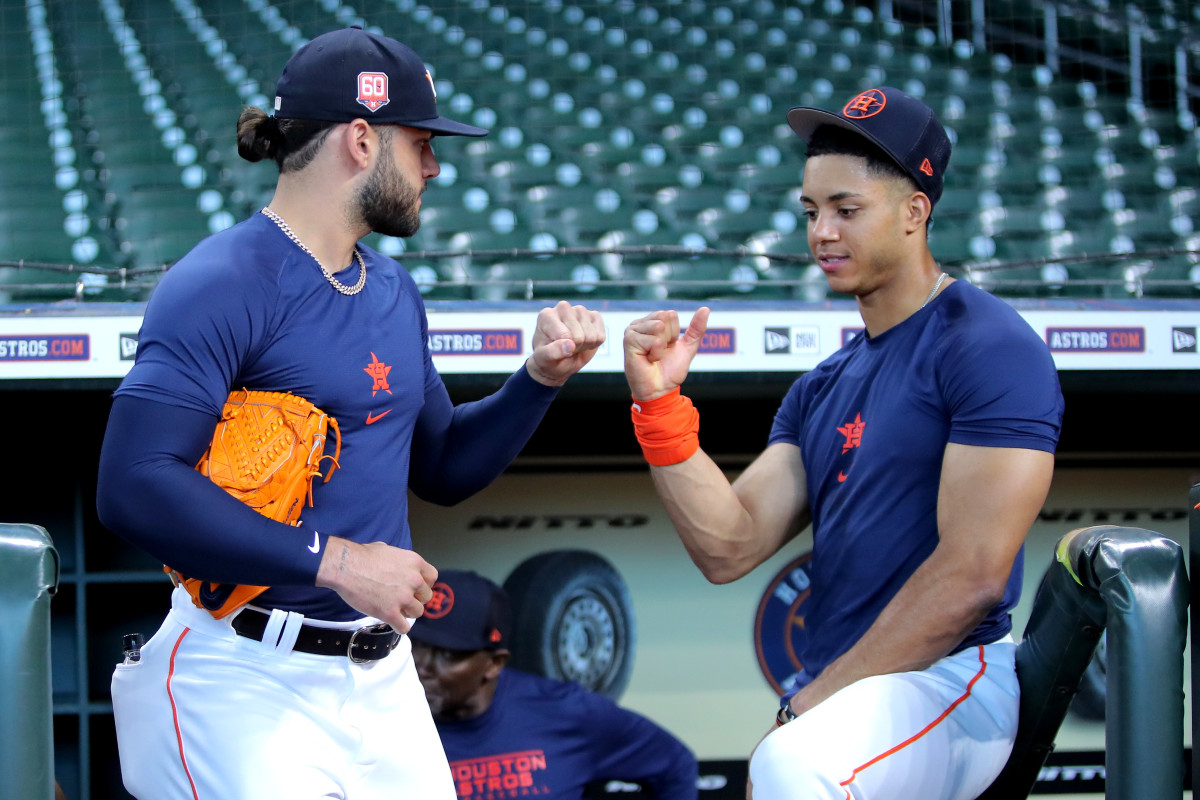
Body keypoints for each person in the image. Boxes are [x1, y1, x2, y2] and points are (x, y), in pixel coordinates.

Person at [96, 26, 605, 800]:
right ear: (362, 140)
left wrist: (536, 380)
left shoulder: (393, 288)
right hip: (241, 673)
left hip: (382, 681)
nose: (434, 163)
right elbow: (131, 483)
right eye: (421, 142)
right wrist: (333, 560)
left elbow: (443, 467)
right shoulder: (221, 281)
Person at [622, 86, 1064, 799]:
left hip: (954, 677)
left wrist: (810, 704)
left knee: (795, 765)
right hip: (856, 693)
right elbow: (728, 545)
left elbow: (974, 572)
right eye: (810, 211)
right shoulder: (824, 384)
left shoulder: (987, 344)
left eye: (846, 210)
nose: (821, 232)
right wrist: (659, 405)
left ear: (916, 210)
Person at [408, 569, 699, 800]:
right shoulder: (380, 721)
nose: (422, 667)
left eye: (448, 655)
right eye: (416, 645)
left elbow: (675, 764)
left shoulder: (566, 712)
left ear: (494, 664)